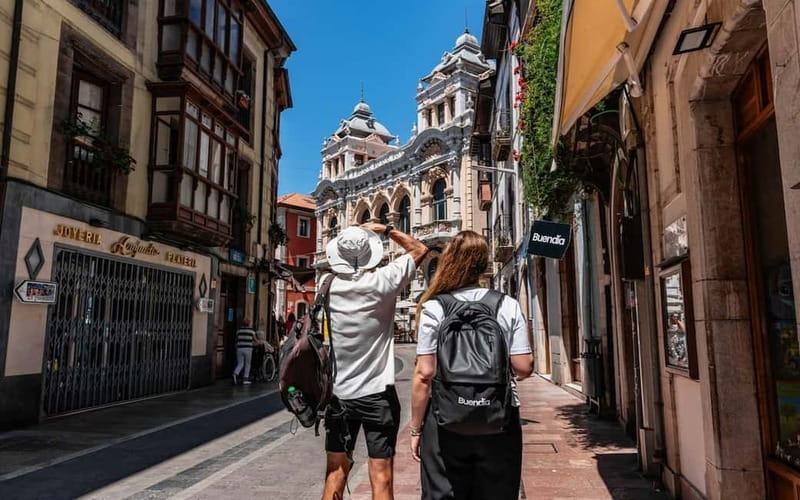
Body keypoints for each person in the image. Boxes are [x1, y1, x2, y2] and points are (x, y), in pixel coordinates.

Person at [409, 230, 534, 500]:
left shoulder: (434, 308)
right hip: (498, 417)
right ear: (483, 263)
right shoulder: (507, 305)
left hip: (445, 420)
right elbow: (524, 367)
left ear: (449, 261)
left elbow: (424, 374)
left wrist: (416, 429)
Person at [322, 222, 428, 500]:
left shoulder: (327, 285)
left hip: (339, 395)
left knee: (335, 471)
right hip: (376, 396)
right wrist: (386, 229)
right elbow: (420, 249)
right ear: (370, 254)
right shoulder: (383, 281)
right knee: (381, 476)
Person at [233, 318, 257, 385]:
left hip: (239, 348)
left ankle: (235, 373)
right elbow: (255, 340)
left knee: (240, 363)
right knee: (247, 364)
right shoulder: (251, 331)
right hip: (248, 349)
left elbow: (237, 339)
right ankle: (245, 379)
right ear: (249, 323)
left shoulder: (239, 331)